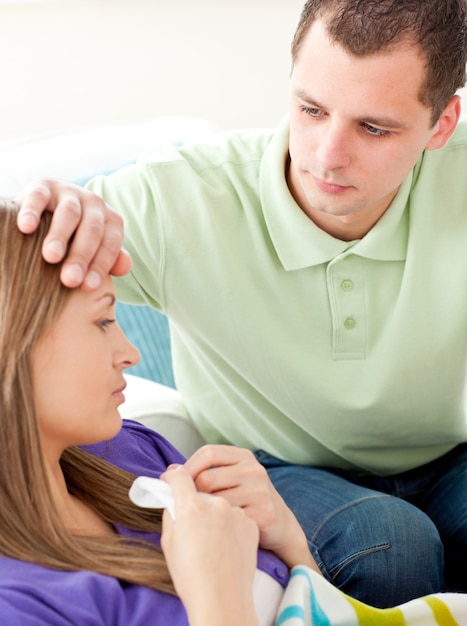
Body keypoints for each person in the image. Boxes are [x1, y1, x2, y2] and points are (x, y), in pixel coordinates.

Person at [14, 0, 467, 609]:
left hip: (451, 457)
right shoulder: (179, 198)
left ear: (442, 125)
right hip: (276, 466)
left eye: (374, 128)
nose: (328, 155)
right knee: (387, 544)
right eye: (311, 109)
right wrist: (38, 217)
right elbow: (16, 275)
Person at [0, 199, 320, 625]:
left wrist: (290, 541)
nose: (130, 353)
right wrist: (217, 599)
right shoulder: (19, 605)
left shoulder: (131, 450)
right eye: (102, 322)